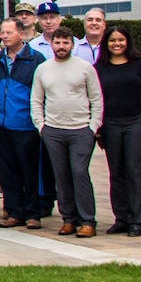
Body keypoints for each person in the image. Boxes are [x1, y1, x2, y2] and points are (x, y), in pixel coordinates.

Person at [33, 26, 104, 238]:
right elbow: (36, 100)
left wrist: (93, 126)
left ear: (72, 44)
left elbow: (97, 98)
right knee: (61, 175)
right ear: (52, 44)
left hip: (80, 130)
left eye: (65, 43)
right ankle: (68, 219)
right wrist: (41, 126)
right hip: (53, 130)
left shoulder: (85, 67)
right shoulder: (43, 69)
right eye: (57, 42)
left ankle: (87, 220)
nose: (61, 46)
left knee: (79, 172)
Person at [95, 25, 141, 236]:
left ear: (128, 42)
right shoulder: (99, 68)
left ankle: (137, 220)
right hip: (110, 124)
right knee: (116, 172)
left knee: (133, 171)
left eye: (121, 40)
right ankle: (121, 218)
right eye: (112, 40)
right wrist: (99, 129)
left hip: (135, 122)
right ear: (106, 44)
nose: (117, 44)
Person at [0, 19, 46, 229]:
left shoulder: (35, 59)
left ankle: (33, 213)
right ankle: (14, 211)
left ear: (21, 33)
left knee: (29, 171)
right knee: (8, 171)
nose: (4, 36)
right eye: (2, 32)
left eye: (9, 32)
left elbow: (42, 93)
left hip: (26, 125)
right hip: (1, 124)